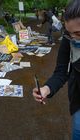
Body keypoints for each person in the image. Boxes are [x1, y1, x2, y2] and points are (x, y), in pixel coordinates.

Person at [33, 0, 80, 139]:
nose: (74, 39)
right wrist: (46, 89)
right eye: (71, 33)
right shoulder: (69, 38)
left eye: (79, 33)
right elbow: (61, 71)